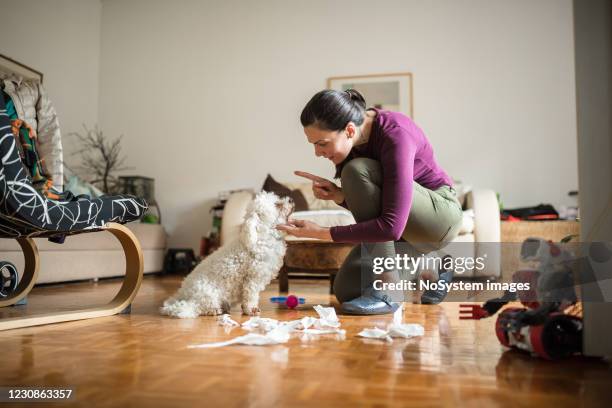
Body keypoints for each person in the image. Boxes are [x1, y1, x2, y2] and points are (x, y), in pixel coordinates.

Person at [277, 89, 463, 315]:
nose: (317, 152)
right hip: (405, 233)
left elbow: (391, 227)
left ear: (349, 129)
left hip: (438, 219)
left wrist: (321, 232)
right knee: (348, 289)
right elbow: (376, 209)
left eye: (322, 143)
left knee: (356, 171)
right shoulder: (353, 146)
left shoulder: (396, 133)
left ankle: (389, 290)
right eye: (313, 144)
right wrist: (339, 196)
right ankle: (433, 267)